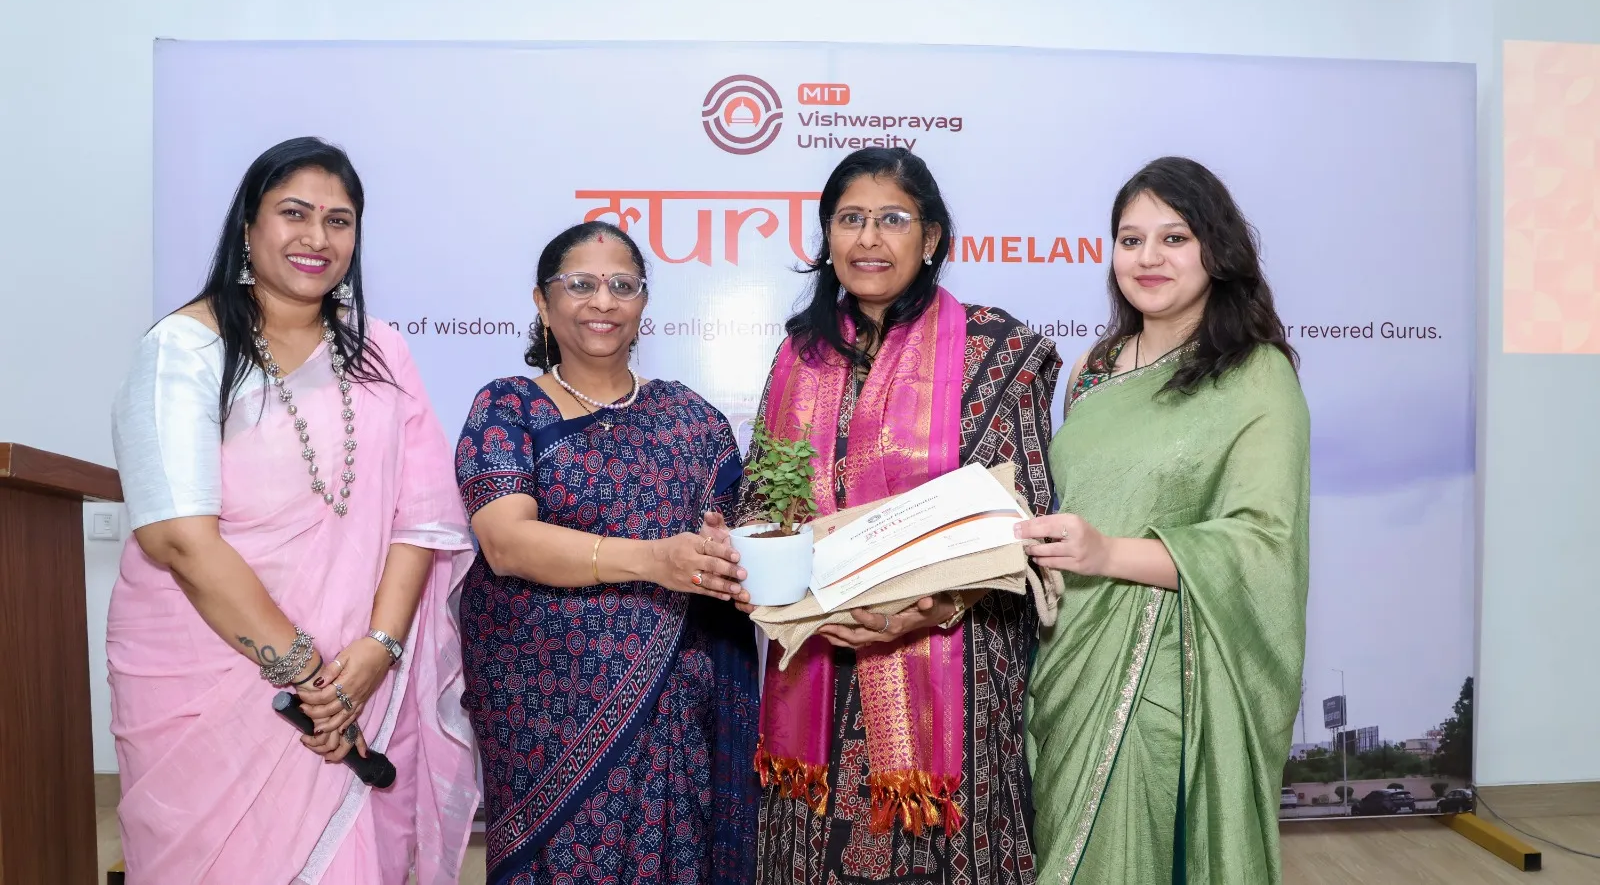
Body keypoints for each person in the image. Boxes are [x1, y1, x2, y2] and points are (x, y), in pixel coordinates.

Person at [107, 137, 479, 884]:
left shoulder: (381, 353)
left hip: (357, 670)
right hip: (210, 668)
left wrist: (377, 650)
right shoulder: (185, 348)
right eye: (295, 213)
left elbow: (421, 517)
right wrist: (310, 675)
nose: (318, 237)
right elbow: (180, 540)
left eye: (339, 221)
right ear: (248, 225)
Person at [731, 147, 1062, 885]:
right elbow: (763, 500)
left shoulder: (996, 350)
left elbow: (1023, 519)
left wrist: (930, 608)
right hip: (817, 652)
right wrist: (783, 589)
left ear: (932, 238)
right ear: (827, 237)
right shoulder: (799, 356)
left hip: (952, 660)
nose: (869, 239)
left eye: (893, 219)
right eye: (850, 219)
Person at [1018, 156, 1310, 883]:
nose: (1148, 257)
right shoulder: (1092, 368)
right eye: (1131, 239)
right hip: (1069, 658)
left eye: (1174, 238)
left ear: (1217, 250)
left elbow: (1262, 543)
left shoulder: (1255, 375)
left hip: (1166, 679)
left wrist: (1107, 555)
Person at [453, 221, 761, 885]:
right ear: (542, 302)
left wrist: (725, 551)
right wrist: (653, 561)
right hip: (544, 721)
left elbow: (738, 544)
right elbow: (505, 542)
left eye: (623, 285)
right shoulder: (509, 408)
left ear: (643, 303)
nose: (603, 302)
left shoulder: (693, 419)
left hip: (676, 715)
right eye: (580, 285)